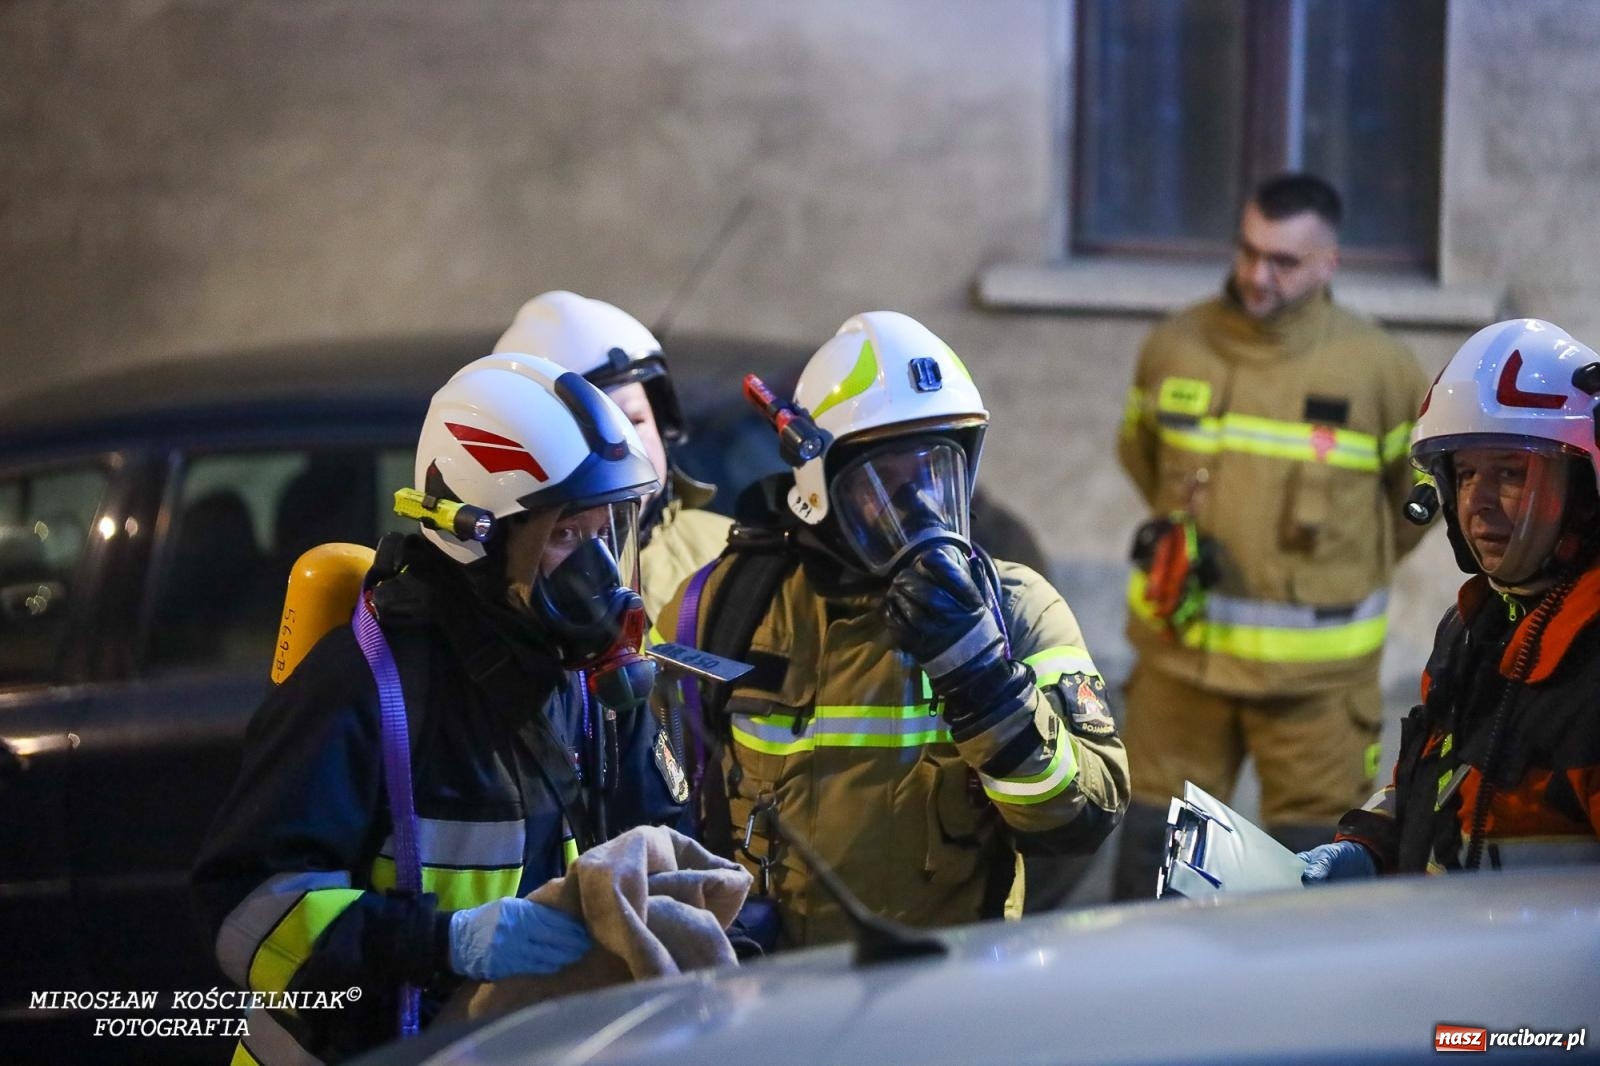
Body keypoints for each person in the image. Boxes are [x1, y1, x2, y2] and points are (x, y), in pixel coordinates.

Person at [191, 354, 690, 1063]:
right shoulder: (367, 687)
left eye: (607, 533)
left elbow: (666, 850)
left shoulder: (589, 687)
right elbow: (246, 912)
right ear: (475, 534)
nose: (599, 575)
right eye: (563, 537)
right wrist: (439, 942)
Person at [652, 311, 1129, 947]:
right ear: (819, 485)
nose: (920, 507)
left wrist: (984, 680)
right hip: (767, 996)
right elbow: (652, 814)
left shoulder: (1016, 609)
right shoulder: (719, 606)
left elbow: (1081, 823)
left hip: (942, 1001)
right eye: (887, 483)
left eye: (937, 475)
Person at [1112, 172, 1433, 898]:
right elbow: (1142, 456)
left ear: (1329, 263)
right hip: (1180, 667)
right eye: (1248, 251)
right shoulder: (1175, 345)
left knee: (1313, 886)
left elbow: (1412, 508)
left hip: (1314, 689)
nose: (1258, 275)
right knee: (1149, 881)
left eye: (1284, 261)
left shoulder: (1379, 370)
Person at [1302, 319, 1600, 880]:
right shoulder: (1475, 626)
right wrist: (1368, 846)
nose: (1477, 502)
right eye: (1464, 474)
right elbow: (1435, 785)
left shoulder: (1588, 658)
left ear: (1584, 487)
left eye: (1510, 473)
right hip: (1453, 955)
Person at [495, 290, 733, 621]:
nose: (629, 447)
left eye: (636, 420)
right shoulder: (520, 575)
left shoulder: (727, 551)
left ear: (663, 425)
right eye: (603, 428)